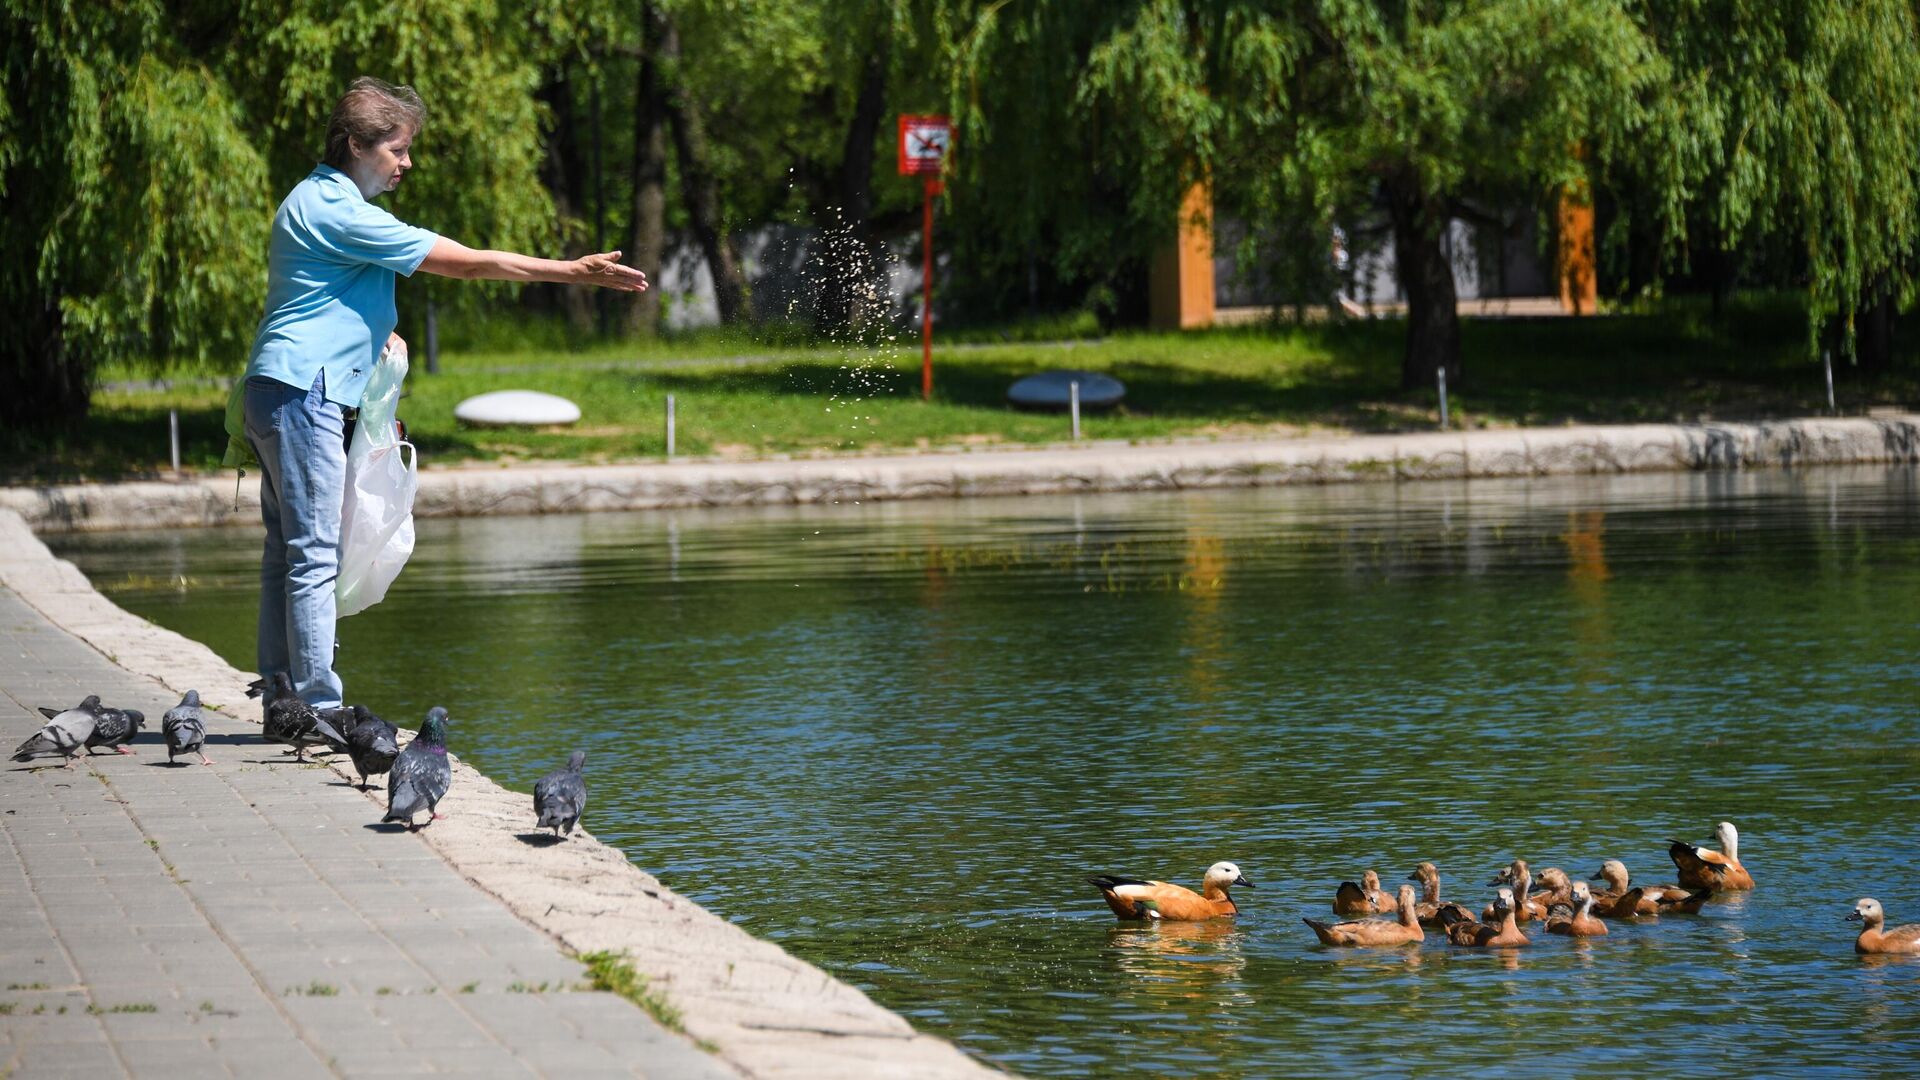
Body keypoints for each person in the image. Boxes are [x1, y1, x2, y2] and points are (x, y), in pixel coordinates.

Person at [236, 77, 646, 713]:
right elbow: (467, 262)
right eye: (397, 150)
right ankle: (316, 707)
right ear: (355, 145)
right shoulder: (344, 213)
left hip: (274, 390)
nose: (407, 163)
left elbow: (320, 296)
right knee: (313, 554)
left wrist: (378, 333)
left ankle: (283, 698)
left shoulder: (311, 201)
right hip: (305, 397)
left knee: (285, 552)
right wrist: (569, 271)